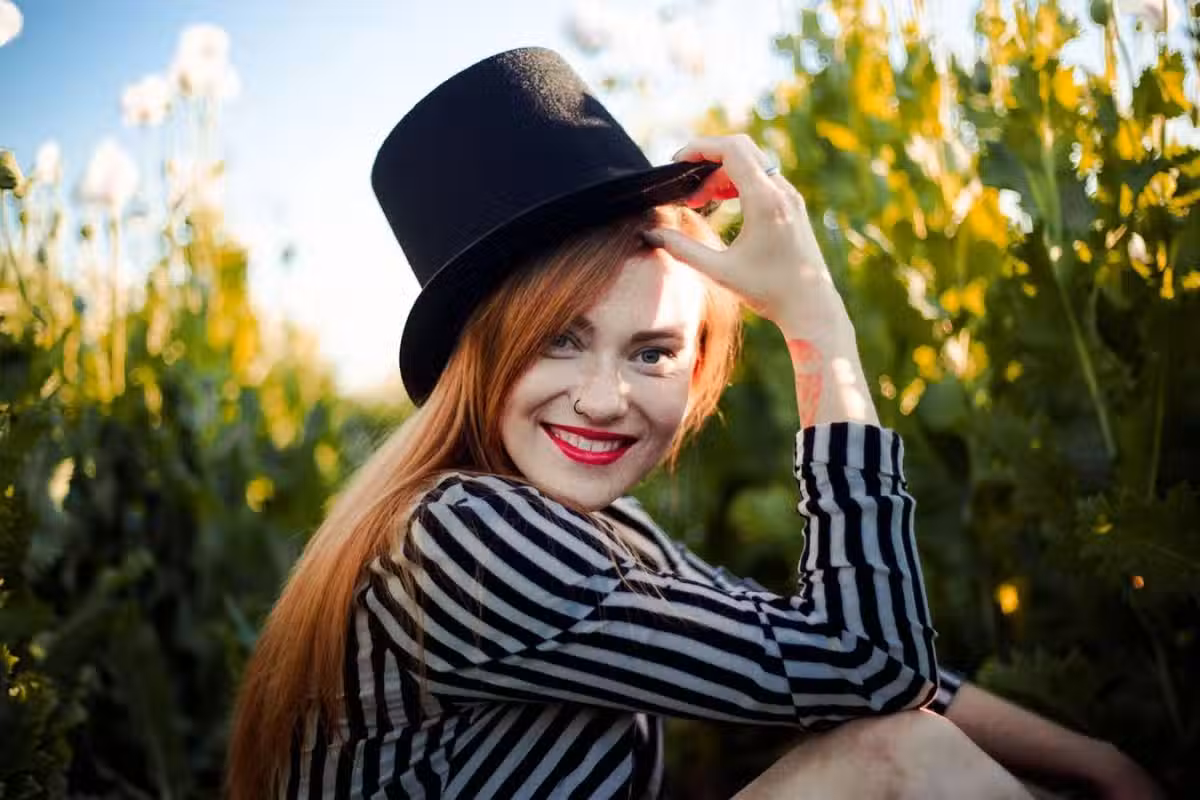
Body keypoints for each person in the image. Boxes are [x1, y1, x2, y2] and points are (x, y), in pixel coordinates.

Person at [224, 48, 1161, 799]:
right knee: (897, 758)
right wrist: (818, 329)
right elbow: (874, 664)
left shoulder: (607, 533)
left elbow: (820, 646)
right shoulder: (465, 535)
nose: (605, 398)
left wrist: (1097, 762)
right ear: (482, 359)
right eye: (559, 341)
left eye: (652, 352)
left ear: (700, 366)